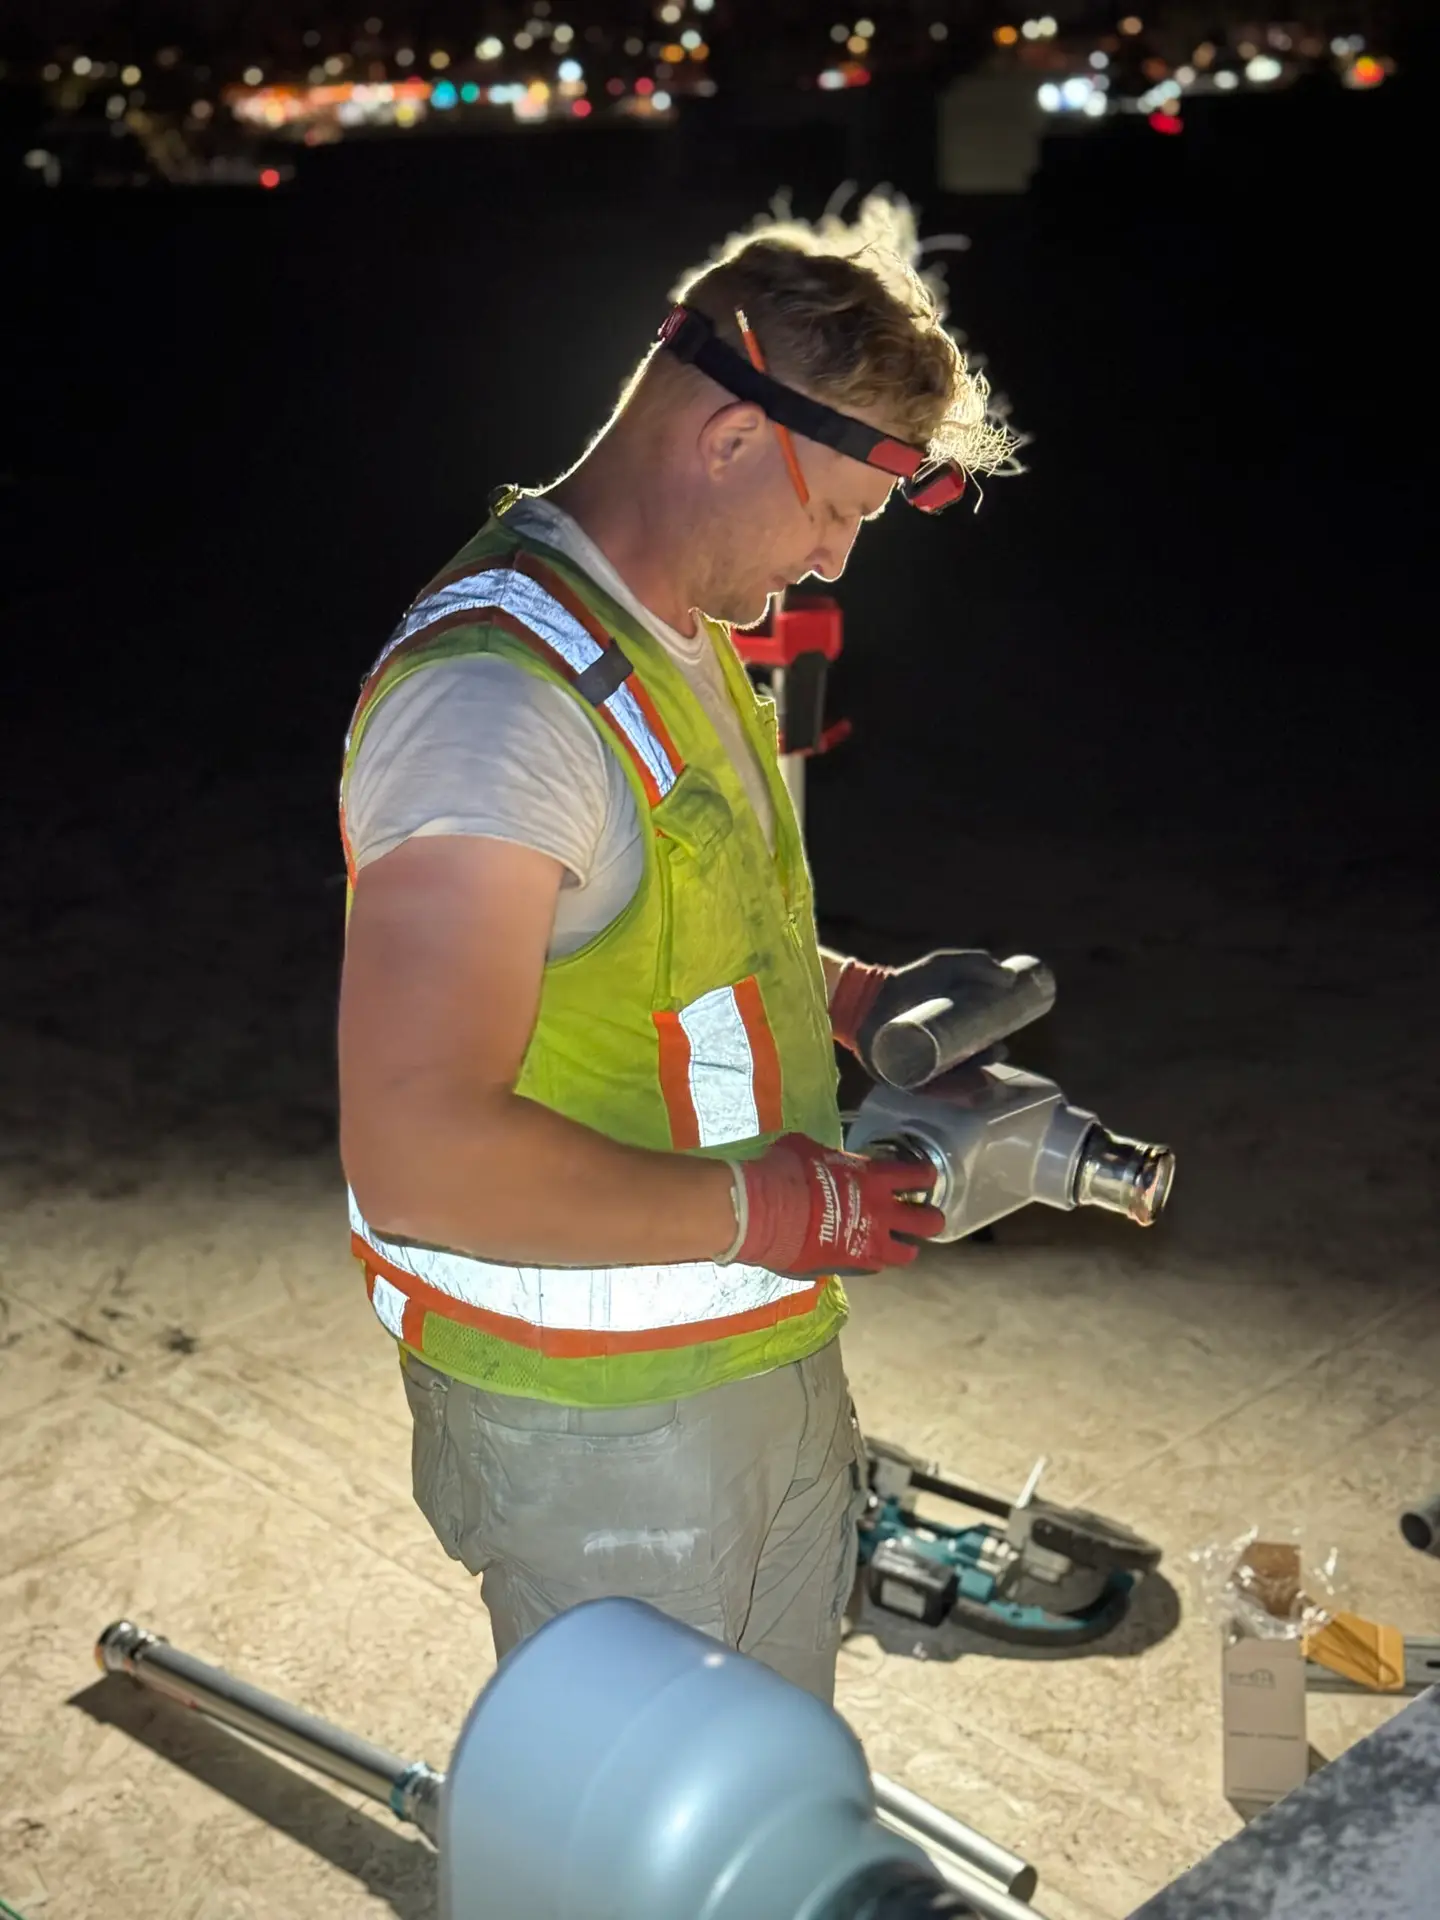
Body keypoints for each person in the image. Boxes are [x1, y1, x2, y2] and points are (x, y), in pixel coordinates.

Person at [336, 203, 1017, 1703]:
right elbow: (416, 1150)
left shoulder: (676, 637)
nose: (836, 558)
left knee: (754, 1825)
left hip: (747, 1361)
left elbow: (671, 935)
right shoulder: (496, 706)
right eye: (836, 510)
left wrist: (855, 1001)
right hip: (599, 1430)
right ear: (723, 438)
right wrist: (775, 1203)